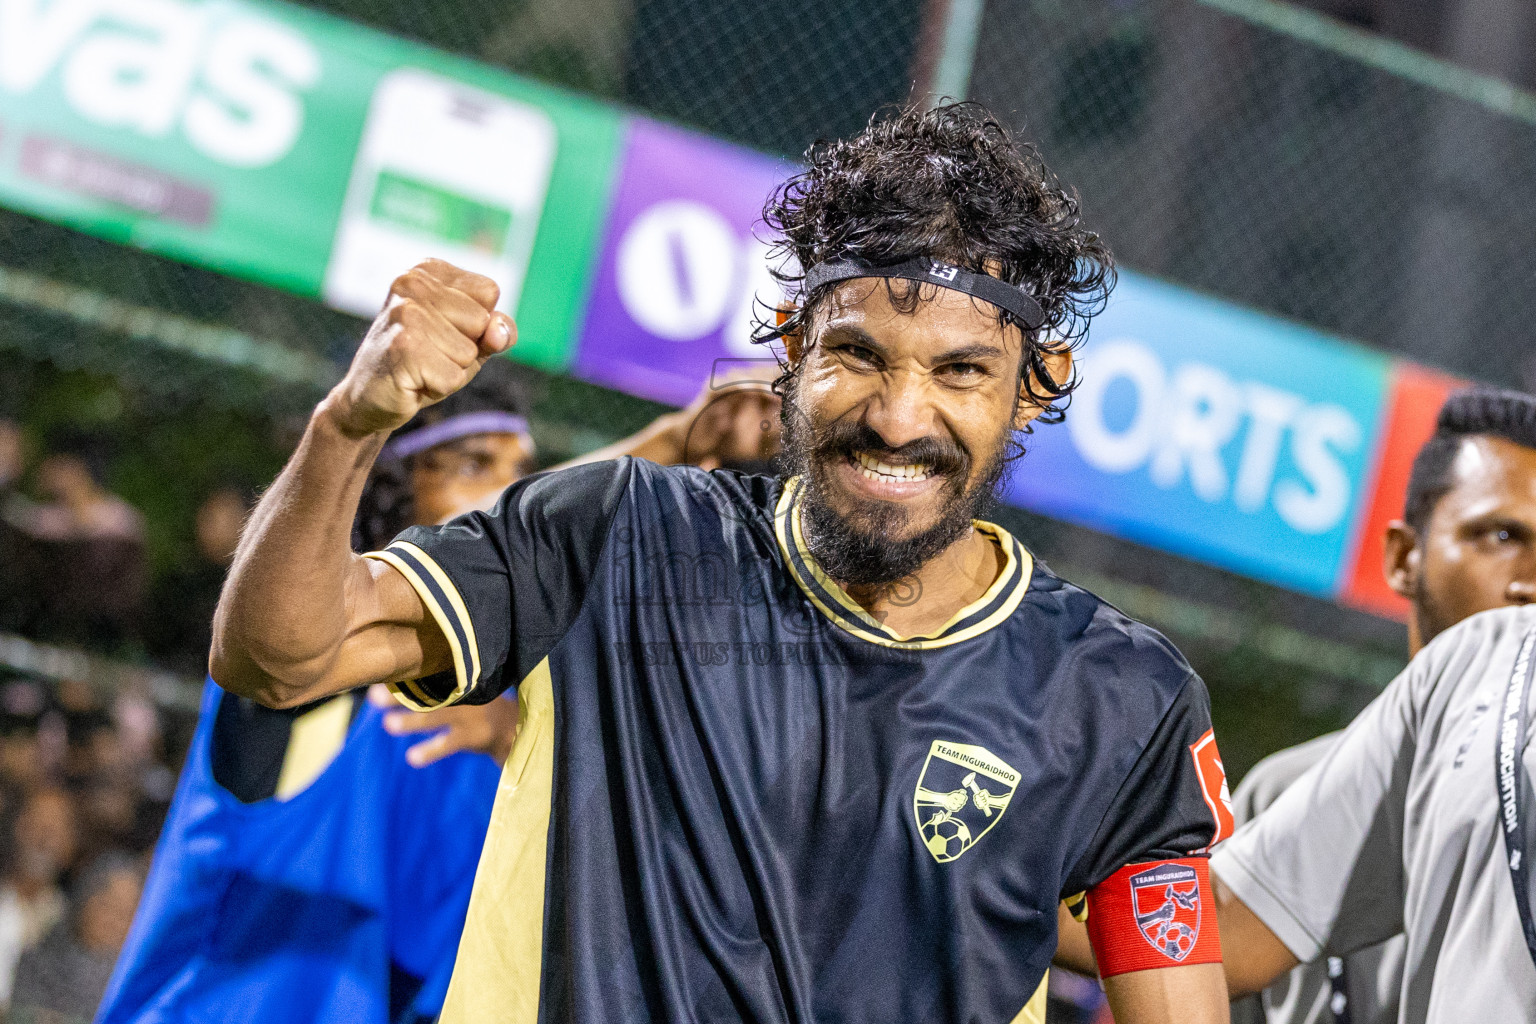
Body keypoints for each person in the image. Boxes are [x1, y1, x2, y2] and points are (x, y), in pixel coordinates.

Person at [213, 104, 1234, 1023]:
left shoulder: (1121, 698)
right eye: (858, 355)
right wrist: (353, 422)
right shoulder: (617, 534)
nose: (898, 417)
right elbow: (281, 659)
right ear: (790, 348)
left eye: (961, 371)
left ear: (1036, 386)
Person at [99, 358, 780, 1024]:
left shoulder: (504, 722)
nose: (515, 495)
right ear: (390, 484)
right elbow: (504, 539)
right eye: (476, 465)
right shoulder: (305, 669)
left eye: (519, 473)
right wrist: (662, 444)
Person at [1209, 386, 1536, 1023]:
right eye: (1501, 535)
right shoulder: (1285, 790)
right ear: (1403, 556)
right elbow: (1211, 943)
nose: (1530, 579)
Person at [9, 850, 143, 1023]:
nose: (114, 921)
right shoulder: (36, 961)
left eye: (126, 913)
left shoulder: (131, 988)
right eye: (106, 904)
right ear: (84, 898)